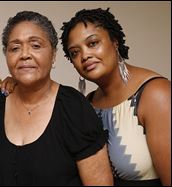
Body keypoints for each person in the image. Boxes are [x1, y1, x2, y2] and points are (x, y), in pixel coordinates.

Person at [0, 10, 113, 186]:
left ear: (53, 55)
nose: (25, 54)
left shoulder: (73, 107)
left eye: (36, 45)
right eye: (15, 48)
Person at [60, 8, 171, 186]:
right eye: (74, 52)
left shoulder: (156, 94)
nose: (84, 55)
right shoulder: (88, 104)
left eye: (93, 43)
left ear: (115, 41)